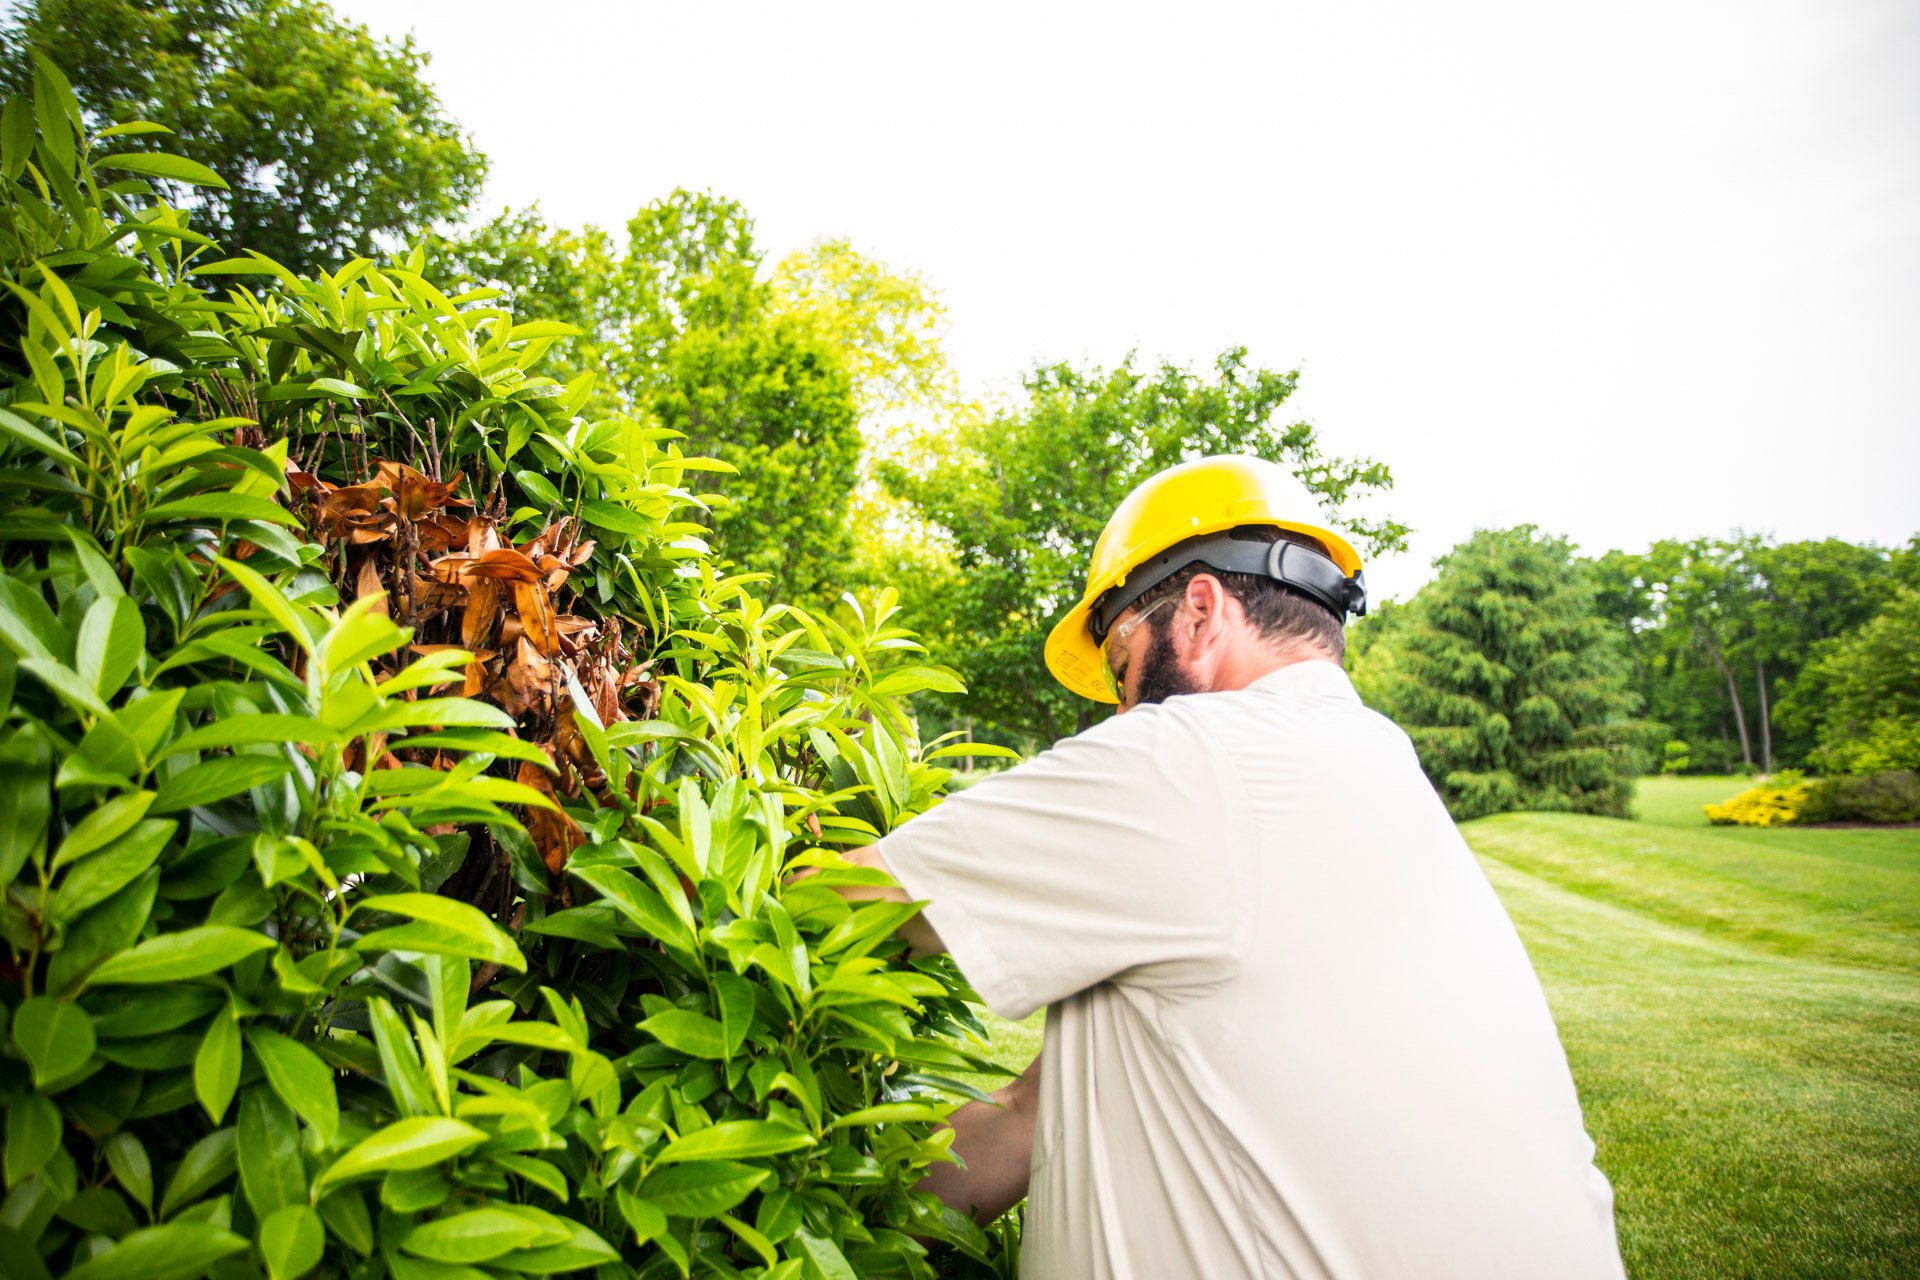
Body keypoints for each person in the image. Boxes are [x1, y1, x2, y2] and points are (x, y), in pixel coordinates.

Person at [842, 455, 1628, 1279]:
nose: (1119, 704)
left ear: (1200, 611)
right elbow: (1029, 1116)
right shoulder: (1373, 766)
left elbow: (853, 897)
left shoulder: (1191, 755)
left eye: (1120, 665)